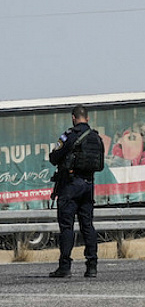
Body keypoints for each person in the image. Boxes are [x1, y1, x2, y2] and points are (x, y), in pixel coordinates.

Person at [48, 105, 101, 278]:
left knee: (66, 226)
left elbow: (53, 157)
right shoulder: (95, 137)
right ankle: (91, 266)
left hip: (70, 186)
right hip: (88, 185)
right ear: (88, 118)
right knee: (87, 225)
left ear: (73, 118)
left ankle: (65, 267)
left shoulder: (69, 135)